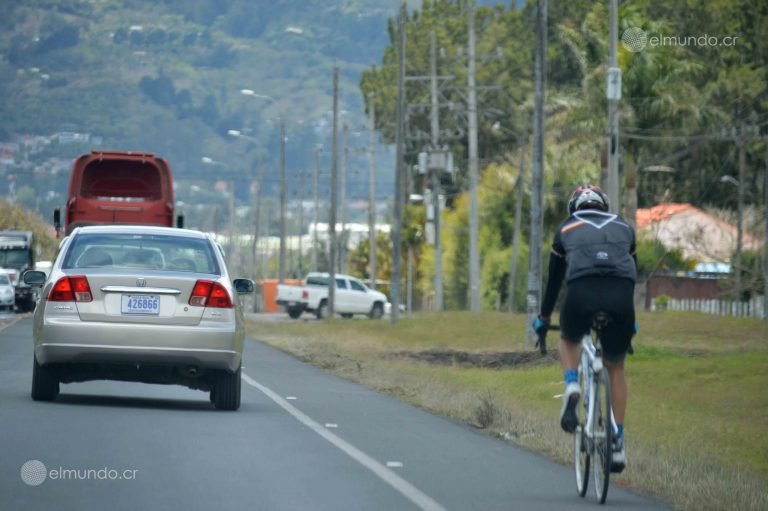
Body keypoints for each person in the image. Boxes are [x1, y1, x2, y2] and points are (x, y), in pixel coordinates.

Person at [532, 184, 636, 472]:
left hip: (581, 294)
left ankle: (572, 384)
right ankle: (617, 443)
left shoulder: (566, 229)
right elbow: (630, 275)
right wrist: (631, 323)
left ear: (574, 208)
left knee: (568, 339)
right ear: (604, 205)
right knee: (615, 367)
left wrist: (543, 318)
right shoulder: (625, 229)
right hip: (621, 300)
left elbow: (554, 283)